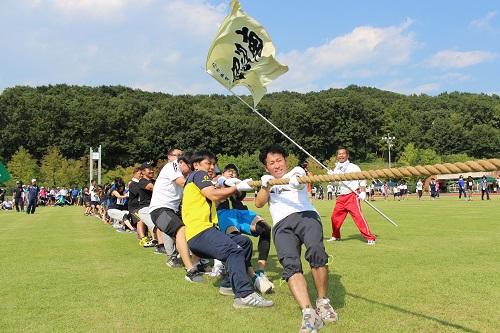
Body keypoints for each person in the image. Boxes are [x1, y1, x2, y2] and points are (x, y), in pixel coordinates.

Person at [255, 144, 337, 332]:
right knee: (290, 265)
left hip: (306, 216)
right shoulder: (267, 181)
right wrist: (266, 185)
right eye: (271, 163)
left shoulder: (296, 171)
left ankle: (323, 302)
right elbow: (259, 203)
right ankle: (308, 313)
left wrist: (293, 181)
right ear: (266, 167)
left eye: (279, 160)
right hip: (282, 225)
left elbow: (299, 182)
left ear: (285, 160)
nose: (277, 165)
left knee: (316, 252)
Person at [182, 150, 273, 308]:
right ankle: (244, 295)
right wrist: (237, 187)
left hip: (202, 234)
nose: (211, 167)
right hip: (201, 233)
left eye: (213, 164)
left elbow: (216, 187)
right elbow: (214, 195)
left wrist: (228, 184)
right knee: (234, 250)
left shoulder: (195, 180)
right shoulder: (198, 175)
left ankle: (228, 285)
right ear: (196, 165)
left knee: (243, 242)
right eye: (207, 163)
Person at [215, 163, 274, 292]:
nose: (231, 173)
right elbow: (220, 182)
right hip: (225, 215)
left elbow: (240, 194)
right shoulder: (217, 181)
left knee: (265, 228)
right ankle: (252, 276)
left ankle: (260, 271)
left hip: (242, 213)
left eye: (234, 172)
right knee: (239, 241)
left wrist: (239, 185)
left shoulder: (238, 186)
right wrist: (228, 181)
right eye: (228, 171)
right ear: (223, 173)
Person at [149, 149, 205, 282]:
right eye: (190, 166)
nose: (191, 170)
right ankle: (190, 270)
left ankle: (190, 261)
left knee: (196, 230)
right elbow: (182, 183)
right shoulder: (172, 166)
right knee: (181, 230)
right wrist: (206, 186)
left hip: (172, 211)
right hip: (159, 211)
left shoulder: (188, 173)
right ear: (181, 162)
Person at [327, 148, 376, 245]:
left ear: (347, 155)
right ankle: (336, 236)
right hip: (341, 196)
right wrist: (331, 178)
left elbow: (362, 179)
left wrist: (363, 191)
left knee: (358, 217)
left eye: (343, 154)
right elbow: (336, 184)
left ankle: (370, 237)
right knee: (334, 218)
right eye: (339, 154)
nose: (341, 156)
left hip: (352, 195)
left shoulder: (354, 167)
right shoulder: (336, 169)